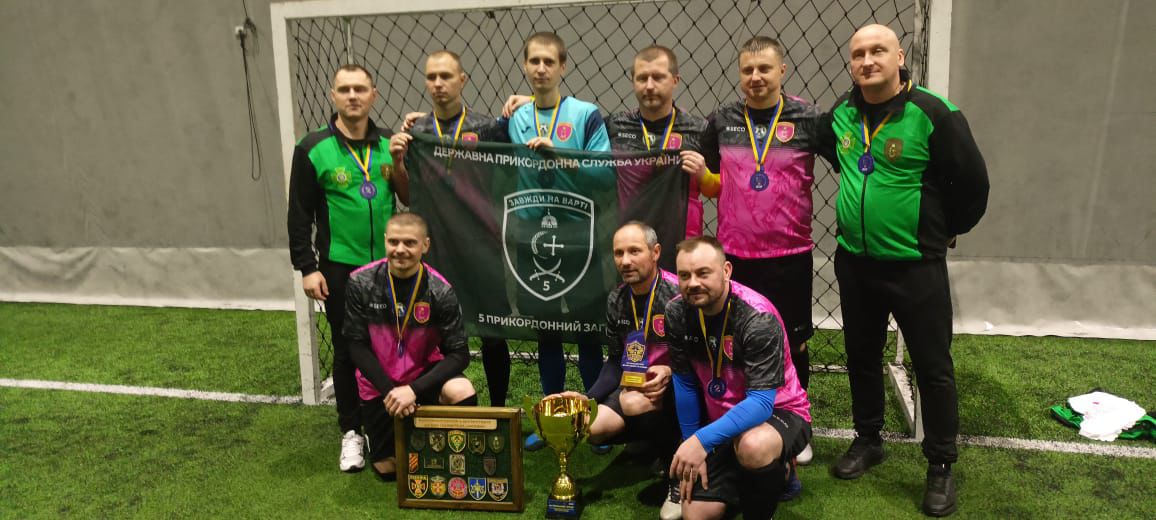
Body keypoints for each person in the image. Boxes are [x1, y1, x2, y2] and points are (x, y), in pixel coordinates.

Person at [822, 24, 989, 517]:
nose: (867, 60)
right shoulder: (842, 113)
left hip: (916, 267)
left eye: (878, 50)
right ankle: (868, 439)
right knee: (861, 356)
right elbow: (843, 161)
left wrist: (943, 230)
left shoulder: (936, 114)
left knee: (933, 367)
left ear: (899, 57)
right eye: (858, 54)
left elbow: (974, 186)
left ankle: (940, 464)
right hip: (855, 262)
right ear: (851, 64)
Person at [698, 36, 823, 464]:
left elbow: (849, 154)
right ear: (740, 73)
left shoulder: (808, 118)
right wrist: (702, 177)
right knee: (736, 343)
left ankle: (796, 426)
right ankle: (741, 417)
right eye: (748, 70)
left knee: (793, 343)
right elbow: (711, 182)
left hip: (789, 255)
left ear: (782, 71)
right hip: (736, 256)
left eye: (764, 69)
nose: (756, 77)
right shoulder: (723, 120)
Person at [287, 64, 403, 473]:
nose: (353, 96)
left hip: (391, 268)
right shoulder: (313, 147)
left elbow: (408, 194)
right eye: (345, 89)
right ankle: (352, 430)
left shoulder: (390, 144)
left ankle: (387, 423)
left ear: (373, 95)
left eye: (360, 89)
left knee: (394, 346)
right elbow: (299, 213)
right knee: (348, 348)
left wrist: (402, 160)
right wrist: (307, 267)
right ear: (333, 96)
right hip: (341, 269)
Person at [388, 50, 513, 407]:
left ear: (462, 80)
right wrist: (397, 161)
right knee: (433, 333)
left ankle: (498, 411)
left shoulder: (487, 128)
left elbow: (514, 173)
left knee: (492, 334)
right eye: (432, 77)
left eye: (446, 76)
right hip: (436, 249)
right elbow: (407, 195)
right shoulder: (417, 132)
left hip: (482, 246)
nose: (438, 83)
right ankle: (443, 404)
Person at [507, 31, 610, 450]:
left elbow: (605, 174)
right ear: (525, 66)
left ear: (563, 66)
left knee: (587, 331)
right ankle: (550, 419)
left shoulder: (586, 115)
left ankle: (594, 419)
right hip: (531, 241)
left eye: (549, 61)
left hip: (579, 238)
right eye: (534, 61)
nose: (541, 68)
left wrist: (561, 155)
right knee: (546, 332)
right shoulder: (515, 117)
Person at [665, 237, 812, 520]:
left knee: (753, 446)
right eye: (684, 275)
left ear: (726, 271)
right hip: (721, 418)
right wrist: (690, 440)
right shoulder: (676, 312)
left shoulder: (757, 318)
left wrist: (701, 441)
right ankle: (762, 476)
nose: (693, 283)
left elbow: (761, 403)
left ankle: (774, 472)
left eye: (703, 273)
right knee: (696, 515)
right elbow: (684, 383)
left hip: (779, 411)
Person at [547, 221, 683, 518]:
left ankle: (677, 474)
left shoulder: (678, 295)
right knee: (594, 428)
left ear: (655, 252)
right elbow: (614, 361)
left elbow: (701, 359)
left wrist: (671, 372)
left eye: (634, 251)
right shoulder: (617, 299)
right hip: (633, 386)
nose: (625, 261)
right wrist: (589, 398)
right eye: (619, 253)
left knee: (639, 403)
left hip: (680, 384)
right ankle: (649, 445)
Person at [342, 212, 478, 480]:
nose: (400, 249)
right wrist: (392, 391)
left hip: (421, 379)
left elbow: (459, 355)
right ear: (385, 241)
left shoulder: (440, 290)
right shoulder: (360, 282)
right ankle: (380, 436)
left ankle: (446, 442)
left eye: (409, 243)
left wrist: (413, 389)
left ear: (425, 245)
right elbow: (356, 346)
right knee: (390, 471)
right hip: (380, 386)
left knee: (461, 391)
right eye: (393, 242)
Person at [606, 45, 710, 238]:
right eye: (642, 78)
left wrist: (705, 175)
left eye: (658, 77)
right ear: (633, 81)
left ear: (675, 80)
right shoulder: (614, 126)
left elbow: (720, 188)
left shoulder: (700, 129)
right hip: (631, 242)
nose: (649, 86)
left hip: (682, 243)